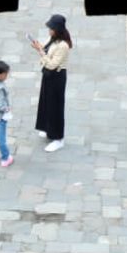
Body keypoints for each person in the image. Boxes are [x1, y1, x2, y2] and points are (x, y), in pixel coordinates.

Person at [31, 13, 72, 151]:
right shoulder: (53, 38)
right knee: (45, 102)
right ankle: (47, 128)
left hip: (57, 77)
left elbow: (52, 64)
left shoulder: (63, 45)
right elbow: (45, 49)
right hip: (48, 75)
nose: (49, 30)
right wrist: (38, 46)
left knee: (55, 107)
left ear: (57, 29)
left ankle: (58, 138)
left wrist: (40, 52)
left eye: (51, 28)